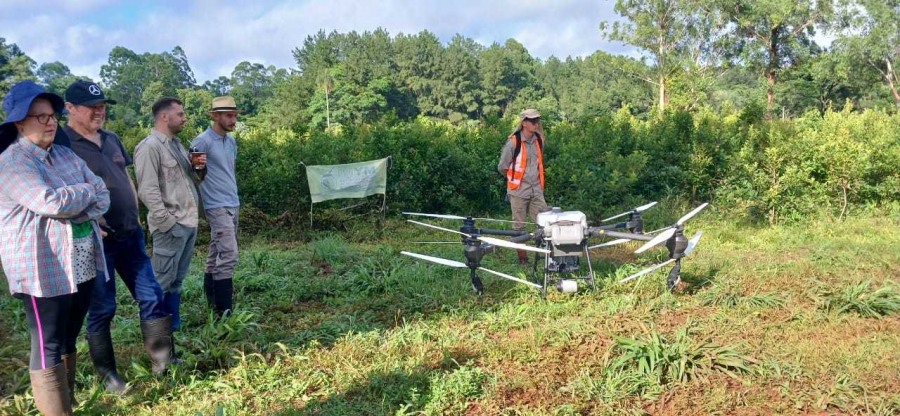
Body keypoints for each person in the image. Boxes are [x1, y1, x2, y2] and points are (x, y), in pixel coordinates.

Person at [0, 80, 110, 415]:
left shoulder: (64, 154)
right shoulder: (13, 161)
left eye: (52, 116)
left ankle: (69, 399)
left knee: (69, 333)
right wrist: (83, 193)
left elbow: (102, 193)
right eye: (40, 117)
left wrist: (78, 197)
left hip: (80, 260)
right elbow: (48, 202)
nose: (50, 122)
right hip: (39, 267)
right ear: (20, 122)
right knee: (47, 341)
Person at [59, 81, 173, 389]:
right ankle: (108, 375)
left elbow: (125, 176)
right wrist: (94, 220)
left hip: (130, 234)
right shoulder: (62, 144)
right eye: (92, 107)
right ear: (69, 108)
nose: (100, 112)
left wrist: (136, 214)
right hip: (96, 240)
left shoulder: (111, 139)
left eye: (102, 106)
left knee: (152, 295)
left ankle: (165, 362)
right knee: (103, 307)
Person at [134, 97, 204, 343]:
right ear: (164, 116)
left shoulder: (177, 145)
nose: (185, 118)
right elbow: (147, 191)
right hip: (171, 225)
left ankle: (173, 328)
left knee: (176, 279)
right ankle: (158, 339)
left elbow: (191, 182)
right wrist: (167, 223)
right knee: (161, 282)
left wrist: (199, 170)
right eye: (180, 114)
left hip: (188, 222)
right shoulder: (150, 147)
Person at [191, 96, 240, 317]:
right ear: (215, 116)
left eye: (235, 115)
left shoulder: (231, 142)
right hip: (215, 204)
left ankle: (212, 304)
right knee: (229, 254)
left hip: (232, 201)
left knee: (216, 251)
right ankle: (224, 310)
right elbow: (195, 175)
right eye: (228, 115)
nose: (233, 120)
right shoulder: (202, 142)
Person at [497, 108, 549, 265]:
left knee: (544, 221)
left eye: (537, 120)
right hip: (518, 191)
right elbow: (502, 167)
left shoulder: (539, 140)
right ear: (524, 123)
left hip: (536, 190)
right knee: (519, 226)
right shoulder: (514, 142)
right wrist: (514, 180)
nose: (536, 123)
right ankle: (523, 259)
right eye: (532, 121)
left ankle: (546, 254)